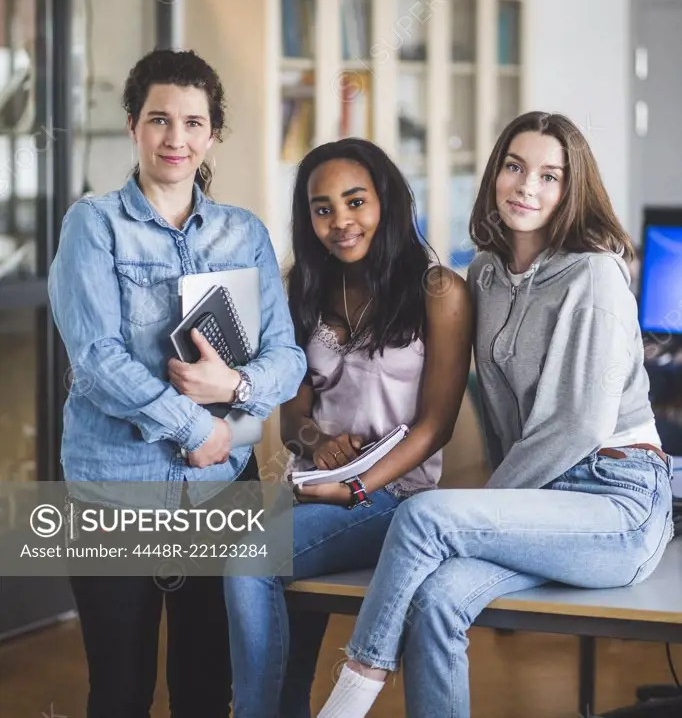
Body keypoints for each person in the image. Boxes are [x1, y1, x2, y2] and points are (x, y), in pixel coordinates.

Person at [317, 111, 675, 718]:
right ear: (495, 174)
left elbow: (577, 427)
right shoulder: (484, 272)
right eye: (514, 166)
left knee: (429, 518)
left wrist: (477, 510)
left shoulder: (594, 274)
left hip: (617, 503)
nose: (526, 186)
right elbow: (500, 411)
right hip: (542, 502)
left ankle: (351, 694)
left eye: (549, 176)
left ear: (572, 190)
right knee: (436, 599)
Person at [48, 48, 306, 718]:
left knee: (205, 684)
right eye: (160, 119)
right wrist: (199, 428)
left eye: (194, 122)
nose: (176, 138)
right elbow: (98, 359)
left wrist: (238, 384)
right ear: (133, 124)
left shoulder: (243, 232)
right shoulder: (92, 225)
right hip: (116, 491)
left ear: (212, 132)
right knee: (121, 690)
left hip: (223, 490)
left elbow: (288, 356)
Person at [214, 137, 470, 718]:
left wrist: (357, 486)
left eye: (355, 202)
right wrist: (318, 443)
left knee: (252, 561)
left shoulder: (440, 292)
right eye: (322, 208)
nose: (340, 221)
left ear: (387, 201)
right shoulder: (299, 288)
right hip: (310, 488)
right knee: (251, 569)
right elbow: (292, 413)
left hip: (395, 498)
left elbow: (437, 426)